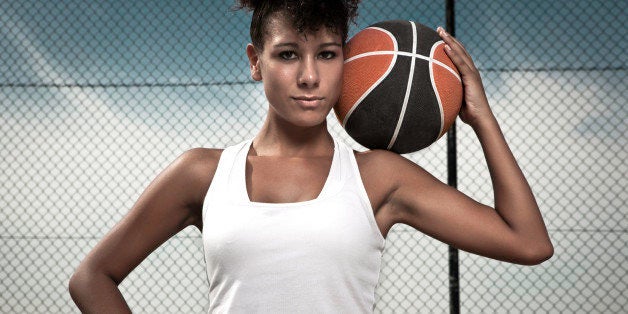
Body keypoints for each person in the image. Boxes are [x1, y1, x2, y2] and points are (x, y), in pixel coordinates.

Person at [68, 0, 553, 312]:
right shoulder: (203, 173)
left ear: (348, 61)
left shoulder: (379, 178)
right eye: (286, 55)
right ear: (255, 62)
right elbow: (93, 278)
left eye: (326, 54)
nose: (309, 77)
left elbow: (528, 243)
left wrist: (482, 118)